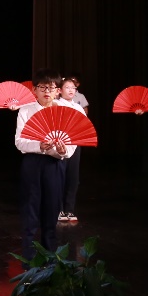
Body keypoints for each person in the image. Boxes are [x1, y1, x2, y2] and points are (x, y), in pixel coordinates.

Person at [14, 70, 71, 258]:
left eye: (52, 88)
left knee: (52, 209)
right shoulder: (25, 110)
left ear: (58, 90)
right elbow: (19, 142)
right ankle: (28, 258)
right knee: (30, 209)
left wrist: (63, 151)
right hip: (32, 162)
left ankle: (51, 257)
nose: (47, 91)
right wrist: (38, 145)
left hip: (55, 164)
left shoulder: (65, 111)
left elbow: (71, 143)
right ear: (34, 90)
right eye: (43, 87)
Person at [56, 77, 87, 222]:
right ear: (60, 90)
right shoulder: (56, 104)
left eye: (73, 88)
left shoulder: (78, 107)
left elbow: (84, 125)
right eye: (67, 87)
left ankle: (69, 209)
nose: (71, 90)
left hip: (74, 143)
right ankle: (59, 209)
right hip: (60, 143)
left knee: (73, 177)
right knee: (59, 176)